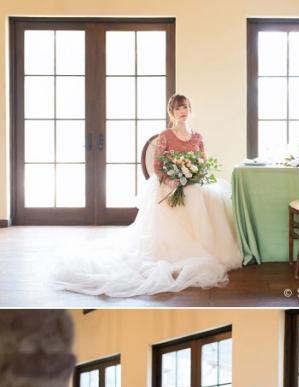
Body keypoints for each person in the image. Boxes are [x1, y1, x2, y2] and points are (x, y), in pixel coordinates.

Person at [52, 94, 241, 297]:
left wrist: (194, 174)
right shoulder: (166, 135)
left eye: (185, 107)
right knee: (188, 196)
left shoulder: (197, 137)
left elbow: (202, 163)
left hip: (192, 182)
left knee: (205, 194)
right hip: (170, 182)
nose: (183, 111)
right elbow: (158, 166)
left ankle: (207, 246)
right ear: (172, 112)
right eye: (178, 108)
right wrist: (172, 178)